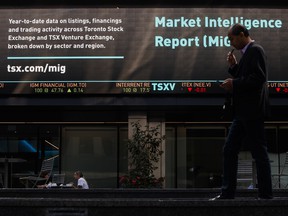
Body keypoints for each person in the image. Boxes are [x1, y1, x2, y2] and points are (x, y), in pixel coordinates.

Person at [211, 24, 273, 200]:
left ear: (242, 34)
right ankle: (228, 193)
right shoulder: (247, 54)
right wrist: (234, 67)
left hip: (252, 111)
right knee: (230, 150)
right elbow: (246, 76)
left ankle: (266, 195)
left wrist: (234, 84)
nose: (230, 42)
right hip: (243, 112)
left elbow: (258, 78)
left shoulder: (255, 50)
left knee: (258, 152)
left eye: (231, 38)